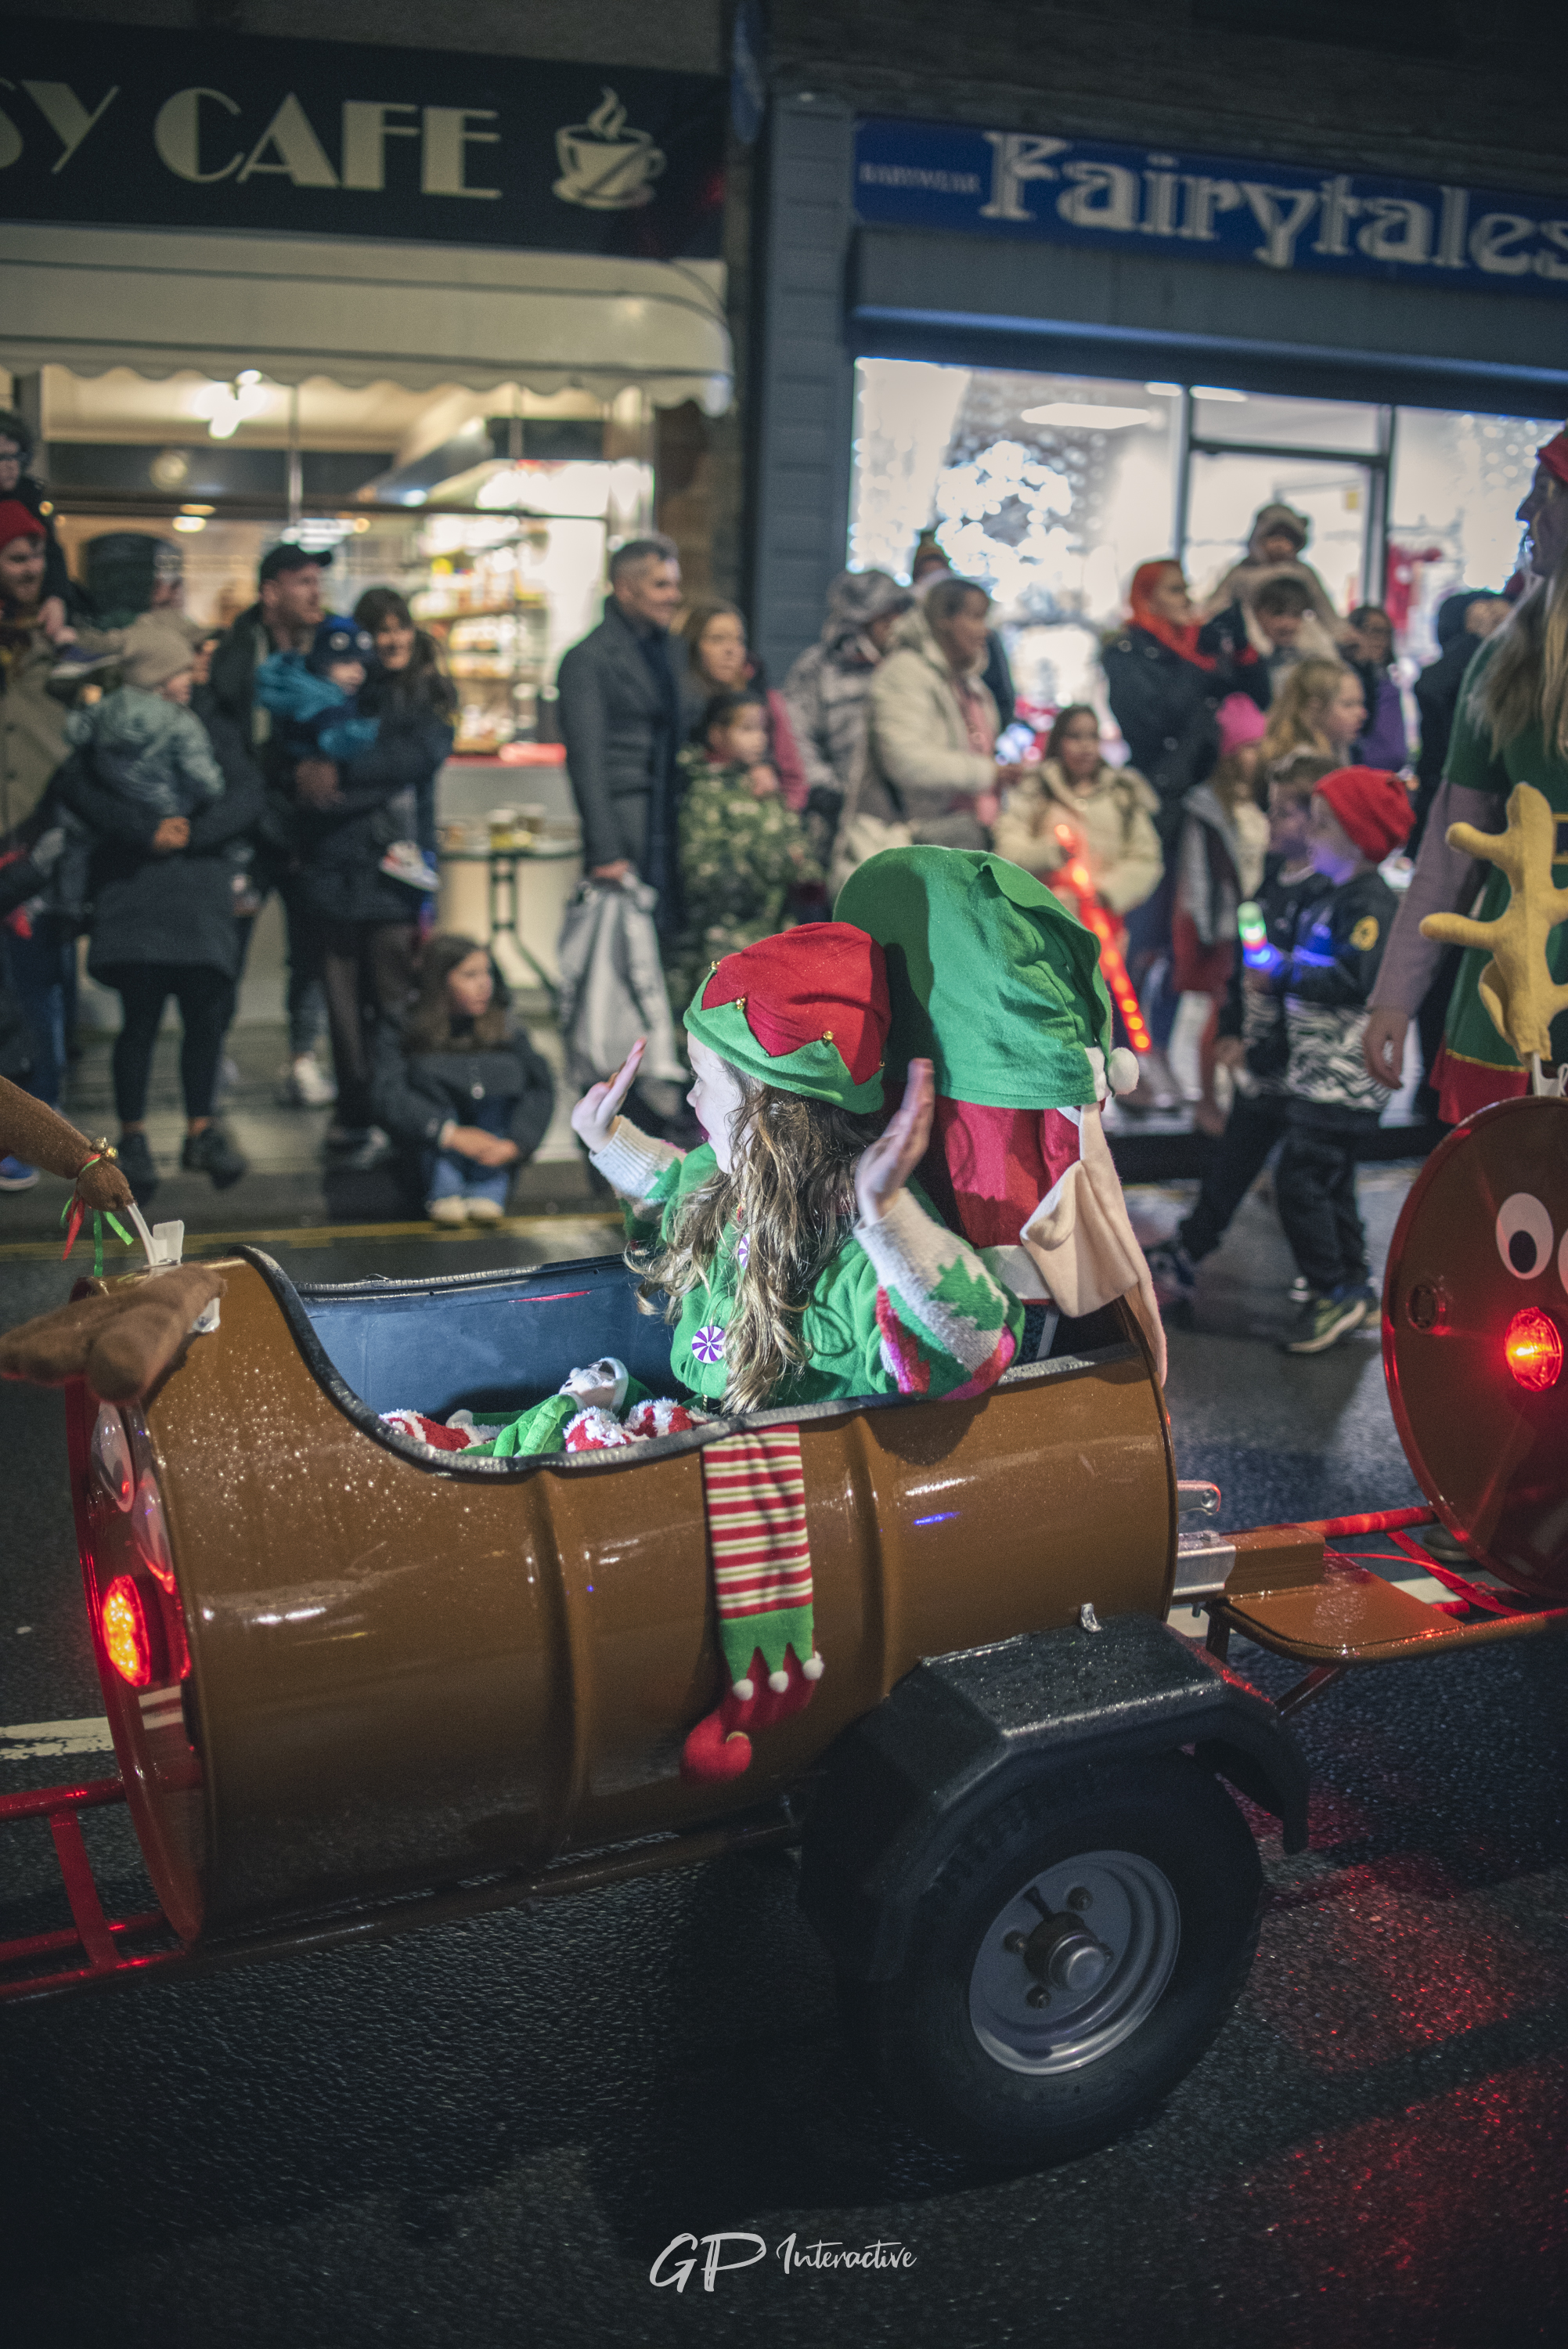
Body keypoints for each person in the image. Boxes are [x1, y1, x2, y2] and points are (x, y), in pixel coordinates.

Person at [1364, 435, 1568, 1123]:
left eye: (1543, 494)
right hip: (1514, 976)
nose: (1523, 512)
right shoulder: (1502, 664)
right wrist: (1394, 995)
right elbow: (1448, 857)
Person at [52, 675, 265, 1203]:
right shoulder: (110, 722)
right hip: (136, 884)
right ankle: (132, 1137)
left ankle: (201, 1129)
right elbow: (77, 785)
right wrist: (145, 828)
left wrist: (192, 831)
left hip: (199, 887)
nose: (186, 680)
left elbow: (246, 793)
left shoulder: (214, 721)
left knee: (206, 1016)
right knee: (140, 1020)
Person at [1145, 754, 1334, 1311]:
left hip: (1307, 1064)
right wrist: (1232, 1027)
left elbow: (1328, 977)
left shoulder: (1331, 893)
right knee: (1233, 1159)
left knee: (1317, 1185)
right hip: (1265, 1059)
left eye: (1282, 813)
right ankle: (1190, 1246)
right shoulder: (1270, 885)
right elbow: (1243, 970)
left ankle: (1341, 1282)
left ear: (1318, 818)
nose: (1269, 823)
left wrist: (1279, 976)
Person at [290, 637, 457, 1167]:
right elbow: (295, 784)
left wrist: (337, 777)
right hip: (336, 877)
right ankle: (358, 1110)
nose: (386, 645)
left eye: (397, 631)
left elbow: (415, 759)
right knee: (344, 1010)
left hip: (392, 882)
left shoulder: (420, 702)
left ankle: (398, 1112)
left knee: (394, 1004)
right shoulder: (316, 700)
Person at [1263, 767, 1411, 1353]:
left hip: (1341, 1081)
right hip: (1321, 1076)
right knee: (1331, 1181)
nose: (1309, 836)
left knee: (1298, 1178)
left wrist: (1280, 972)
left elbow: (1355, 978)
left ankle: (1330, 1293)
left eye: (1321, 826)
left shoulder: (1368, 901)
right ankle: (1353, 1285)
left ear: (1356, 837)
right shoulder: (1329, 895)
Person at [1102, 559, 1235, 1107]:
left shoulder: (1199, 650)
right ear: (1147, 598)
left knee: (1184, 943)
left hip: (1200, 814)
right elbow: (1153, 721)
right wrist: (1197, 666)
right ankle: (1125, 1055)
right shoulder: (1127, 652)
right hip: (1154, 814)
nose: (1187, 599)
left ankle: (1153, 1050)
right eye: (1175, 591)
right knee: (1143, 940)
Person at [208, 542, 334, 1107]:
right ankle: (210, 1056)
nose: (315, 592)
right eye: (302, 581)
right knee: (225, 950)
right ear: (271, 592)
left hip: (309, 831)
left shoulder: (331, 650)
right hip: (248, 830)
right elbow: (223, 742)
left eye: (316, 581)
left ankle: (303, 1058)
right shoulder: (235, 655)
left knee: (309, 952)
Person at [369, 933, 554, 1225]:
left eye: (488, 973)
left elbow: (540, 1088)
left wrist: (518, 1143)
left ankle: (487, 1191)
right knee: (434, 1090)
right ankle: (446, 1189)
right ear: (440, 981)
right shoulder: (404, 1024)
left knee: (496, 1095)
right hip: (434, 1141)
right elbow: (386, 1092)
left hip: (496, 1140)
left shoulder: (504, 1026)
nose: (485, 985)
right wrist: (448, 1134)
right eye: (470, 975)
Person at [664, 687, 822, 1016]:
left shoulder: (763, 787)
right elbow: (704, 874)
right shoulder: (705, 792)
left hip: (772, 937)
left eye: (763, 730)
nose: (758, 740)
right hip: (724, 943)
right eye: (746, 729)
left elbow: (799, 849)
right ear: (717, 734)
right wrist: (778, 866)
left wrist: (805, 871)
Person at [846, 580, 1026, 865]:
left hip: (962, 842)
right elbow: (906, 762)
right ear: (943, 620)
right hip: (910, 845)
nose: (985, 631)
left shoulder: (969, 684)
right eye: (975, 617)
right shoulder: (905, 672)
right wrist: (989, 773)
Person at [556, 535, 685, 924]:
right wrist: (605, 850)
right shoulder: (587, 658)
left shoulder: (670, 649)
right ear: (626, 589)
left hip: (669, 815)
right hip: (627, 820)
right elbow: (586, 760)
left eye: (676, 584)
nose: (674, 596)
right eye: (661, 585)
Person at [1171, 695, 1271, 1135]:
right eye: (1248, 747)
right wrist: (1208, 930)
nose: (1256, 756)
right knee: (1217, 1012)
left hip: (1253, 921)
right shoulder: (1206, 807)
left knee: (1245, 1010)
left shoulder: (1259, 802)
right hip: (1223, 926)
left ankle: (1236, 1093)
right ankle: (1209, 1100)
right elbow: (1197, 873)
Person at [780, 568, 913, 865]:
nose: (895, 626)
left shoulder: (906, 669)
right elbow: (797, 732)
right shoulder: (818, 669)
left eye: (898, 615)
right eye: (885, 618)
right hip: (837, 817)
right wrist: (824, 788)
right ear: (860, 620)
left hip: (901, 818)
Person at [991, 702, 1162, 922]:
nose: (1085, 746)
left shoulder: (1122, 794)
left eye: (1092, 736)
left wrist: (1107, 893)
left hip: (1104, 925)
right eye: (1075, 736)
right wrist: (1050, 854)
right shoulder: (1035, 791)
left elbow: (1146, 857)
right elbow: (1006, 850)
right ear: (1058, 740)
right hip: (1044, 921)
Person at [63, 616, 225, 825]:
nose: (189, 678)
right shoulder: (181, 722)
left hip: (117, 814)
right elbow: (207, 783)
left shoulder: (104, 708)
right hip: (171, 816)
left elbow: (74, 733)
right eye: (181, 671)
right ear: (157, 676)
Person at [354, 587, 457, 872]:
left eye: (402, 628)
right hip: (355, 845)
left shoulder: (432, 691)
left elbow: (418, 759)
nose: (396, 641)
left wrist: (341, 772)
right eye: (384, 631)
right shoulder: (355, 689)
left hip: (411, 846)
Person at [676, 601, 807, 811]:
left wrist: (780, 818)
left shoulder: (764, 699)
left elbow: (794, 778)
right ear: (692, 645)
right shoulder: (677, 700)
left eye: (738, 640)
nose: (731, 650)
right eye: (717, 639)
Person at [1410, 589, 1509, 850]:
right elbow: (1431, 687)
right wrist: (1475, 640)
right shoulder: (1455, 672)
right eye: (1495, 623)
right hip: (1450, 806)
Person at [909, 529, 1016, 727]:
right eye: (926, 576)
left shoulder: (978, 658)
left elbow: (1003, 700)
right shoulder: (910, 666)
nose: (933, 586)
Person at [1200, 502, 1344, 648]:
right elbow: (1218, 603)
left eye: (1287, 538)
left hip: (1294, 639)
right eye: (1273, 537)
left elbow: (1324, 608)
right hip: (1251, 636)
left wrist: (1340, 634)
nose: (1280, 544)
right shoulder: (1242, 571)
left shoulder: (1302, 573)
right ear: (1258, 538)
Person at [0, 410, 77, 642]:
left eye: (16, 457)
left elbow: (51, 551)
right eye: (2, 457)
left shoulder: (28, 494)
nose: (12, 466)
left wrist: (56, 597)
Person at [1260, 657, 1366, 771]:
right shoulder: (1301, 765)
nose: (1362, 714)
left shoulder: (1338, 748)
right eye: (1348, 705)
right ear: (1314, 708)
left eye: (1361, 703)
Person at [1343, 604, 1409, 770]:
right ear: (1353, 632)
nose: (1381, 639)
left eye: (1386, 632)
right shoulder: (1348, 676)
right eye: (1374, 630)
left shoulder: (1386, 674)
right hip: (1360, 767)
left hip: (1389, 771)